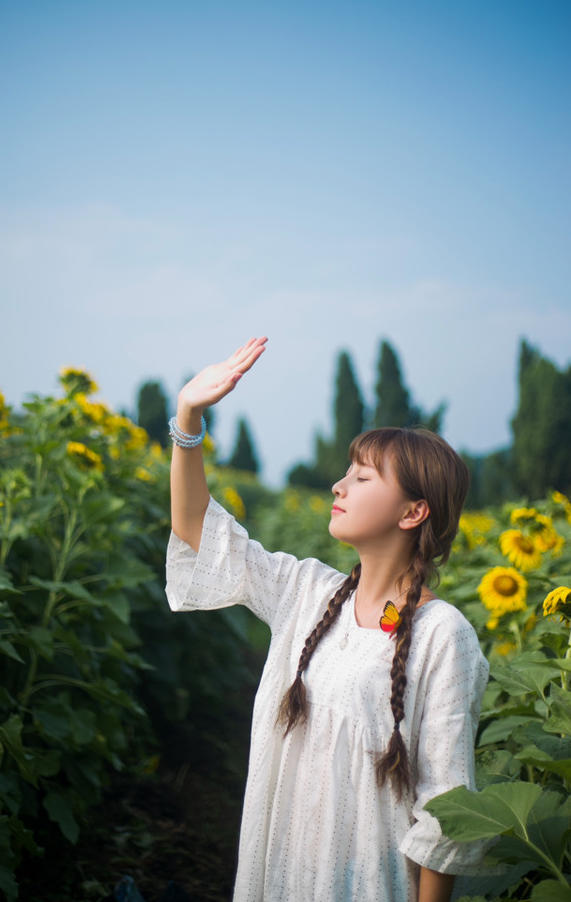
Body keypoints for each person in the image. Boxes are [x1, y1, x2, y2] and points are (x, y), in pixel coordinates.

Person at [166, 337, 489, 902]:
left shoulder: (443, 636)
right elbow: (200, 534)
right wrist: (188, 419)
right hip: (280, 877)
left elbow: (446, 809)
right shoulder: (306, 591)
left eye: (363, 478)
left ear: (414, 512)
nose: (339, 486)